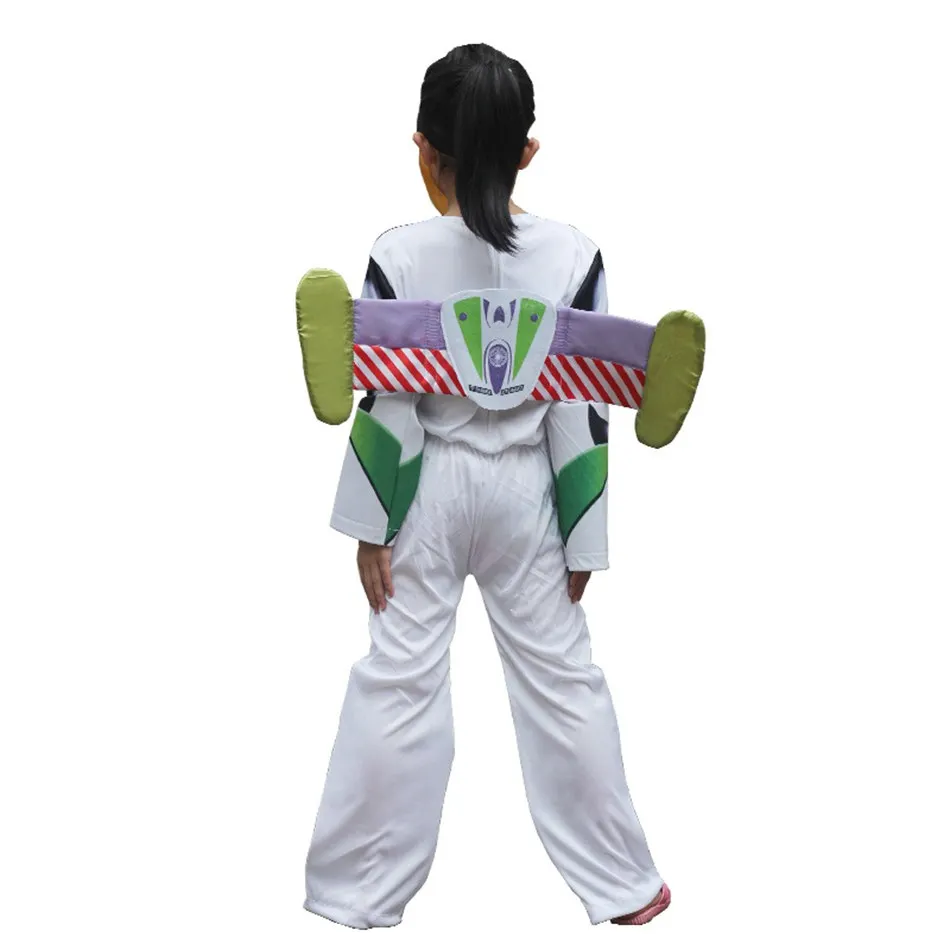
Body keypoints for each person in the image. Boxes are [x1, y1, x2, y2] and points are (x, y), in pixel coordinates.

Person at [303, 42, 670, 930]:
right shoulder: (575, 255)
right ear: (528, 153)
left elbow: (388, 399)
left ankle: (356, 893)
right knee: (562, 680)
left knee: (397, 678)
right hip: (528, 493)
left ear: (423, 150)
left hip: (428, 489)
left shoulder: (399, 253)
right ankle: (624, 885)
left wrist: (372, 523)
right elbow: (582, 405)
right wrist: (583, 536)